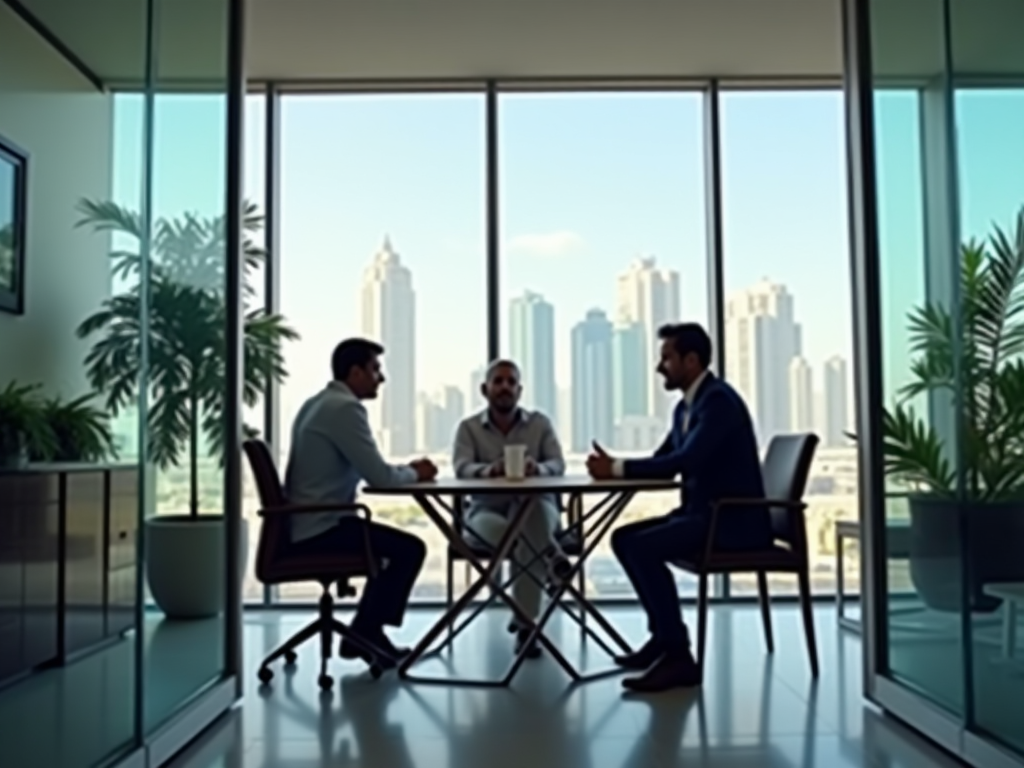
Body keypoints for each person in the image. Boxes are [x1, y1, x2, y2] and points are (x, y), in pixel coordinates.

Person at [586, 322, 770, 693]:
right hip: (703, 515)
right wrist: (616, 468)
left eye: (666, 358)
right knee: (624, 539)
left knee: (640, 546)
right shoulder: (685, 409)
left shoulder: (718, 402)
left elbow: (684, 461)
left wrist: (618, 469)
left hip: (730, 522)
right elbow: (662, 459)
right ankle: (664, 639)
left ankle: (678, 657)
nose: (659, 368)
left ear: (692, 359)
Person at [284, 338, 437, 669]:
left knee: (394, 548)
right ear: (355, 372)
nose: (381, 378)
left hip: (309, 521)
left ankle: (364, 634)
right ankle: (366, 634)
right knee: (409, 550)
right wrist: (416, 472)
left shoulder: (318, 403)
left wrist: (406, 472)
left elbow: (373, 470)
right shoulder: (345, 409)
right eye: (375, 370)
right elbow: (380, 477)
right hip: (322, 527)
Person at [452, 359, 571, 658]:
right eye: (498, 381)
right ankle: (553, 557)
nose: (505, 387)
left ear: (520, 390)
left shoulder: (540, 424)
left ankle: (525, 624)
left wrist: (538, 469)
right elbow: (462, 468)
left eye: (511, 382)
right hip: (485, 512)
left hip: (538, 506)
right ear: (485, 389)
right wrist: (490, 471)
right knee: (525, 542)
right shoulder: (468, 429)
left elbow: (558, 464)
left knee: (530, 527)